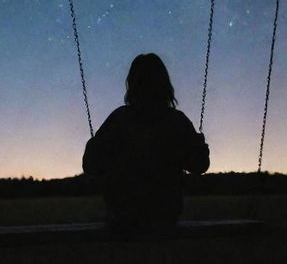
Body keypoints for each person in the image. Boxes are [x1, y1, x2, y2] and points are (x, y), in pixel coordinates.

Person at [82, 53, 210, 233]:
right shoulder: (177, 121)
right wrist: (199, 146)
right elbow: (199, 165)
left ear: (132, 84)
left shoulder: (119, 119)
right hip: (165, 216)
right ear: (165, 84)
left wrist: (94, 145)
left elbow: (91, 166)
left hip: (123, 217)